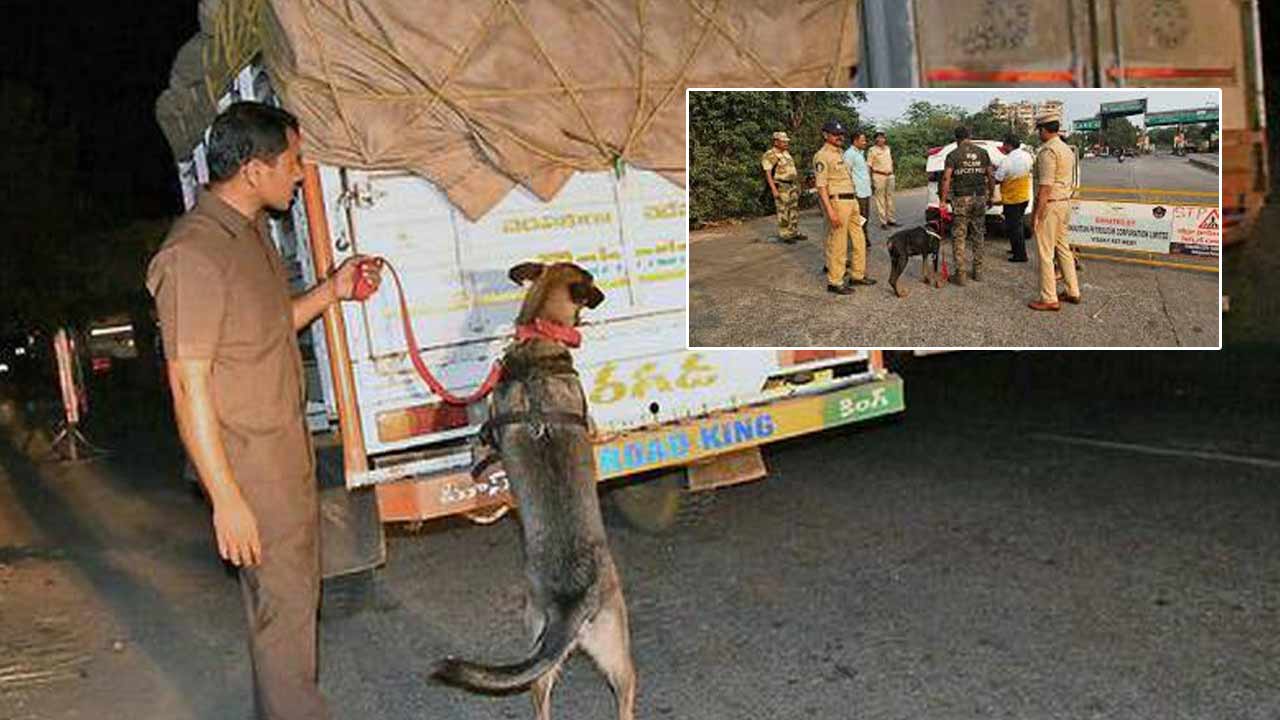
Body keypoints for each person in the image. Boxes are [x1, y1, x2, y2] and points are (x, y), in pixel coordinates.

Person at [146, 101, 382, 719]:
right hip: (251, 470)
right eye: (294, 162)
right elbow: (186, 382)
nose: (301, 174)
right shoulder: (192, 255)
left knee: (293, 607)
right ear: (253, 170)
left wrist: (333, 289)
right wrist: (227, 499)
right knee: (283, 615)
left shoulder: (247, 235)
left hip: (284, 453)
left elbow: (270, 326)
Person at [1028, 107, 1081, 311]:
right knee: (1063, 249)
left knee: (1045, 253)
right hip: (1064, 203)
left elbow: (1045, 187)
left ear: (1043, 130)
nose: (1038, 134)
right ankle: (1072, 291)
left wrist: (1036, 216)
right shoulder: (1065, 149)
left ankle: (1049, 298)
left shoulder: (1048, 151)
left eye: (1038, 130)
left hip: (1050, 205)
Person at [813, 120, 873, 295]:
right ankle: (835, 281)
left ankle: (857, 275)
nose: (840, 137)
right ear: (826, 135)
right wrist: (830, 211)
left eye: (841, 134)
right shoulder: (822, 156)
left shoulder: (840, 153)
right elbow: (821, 186)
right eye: (835, 134)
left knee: (859, 239)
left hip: (852, 200)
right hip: (837, 202)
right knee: (838, 243)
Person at [939, 125, 994, 285]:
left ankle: (961, 275)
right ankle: (978, 272)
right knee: (978, 235)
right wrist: (991, 195)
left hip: (961, 199)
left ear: (956, 139)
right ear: (970, 136)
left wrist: (943, 201)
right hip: (979, 198)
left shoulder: (953, 155)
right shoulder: (982, 153)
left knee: (959, 236)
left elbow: (946, 178)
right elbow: (990, 175)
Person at [994, 133, 1034, 263]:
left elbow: (998, 179)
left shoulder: (1007, 160)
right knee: (1017, 225)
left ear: (1009, 145)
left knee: (1014, 227)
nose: (1003, 147)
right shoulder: (1027, 156)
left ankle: (1020, 255)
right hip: (1023, 196)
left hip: (1012, 199)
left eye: (1004, 144)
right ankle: (1015, 249)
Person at [762, 131, 803, 243]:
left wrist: (797, 185)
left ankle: (793, 232)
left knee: (793, 209)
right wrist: (773, 189)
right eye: (783, 141)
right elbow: (768, 173)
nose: (786, 143)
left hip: (792, 185)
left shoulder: (786, 153)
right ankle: (785, 234)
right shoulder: (770, 154)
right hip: (781, 185)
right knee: (783, 210)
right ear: (776, 142)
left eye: (786, 141)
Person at [843, 130, 873, 251]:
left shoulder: (860, 153)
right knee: (858, 219)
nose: (865, 142)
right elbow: (847, 172)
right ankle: (858, 242)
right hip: (858, 192)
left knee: (865, 218)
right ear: (855, 141)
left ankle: (863, 239)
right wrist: (852, 190)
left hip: (865, 191)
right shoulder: (849, 154)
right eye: (863, 140)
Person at [866, 131, 898, 229]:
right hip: (879, 176)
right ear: (875, 139)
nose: (881, 140)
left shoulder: (888, 149)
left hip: (890, 175)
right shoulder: (872, 150)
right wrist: (870, 180)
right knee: (880, 199)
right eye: (879, 138)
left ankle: (891, 220)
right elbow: (869, 166)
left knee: (890, 198)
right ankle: (883, 222)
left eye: (883, 137)